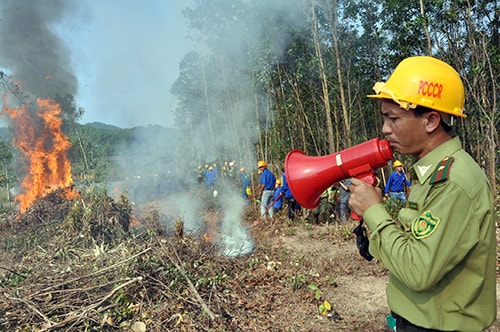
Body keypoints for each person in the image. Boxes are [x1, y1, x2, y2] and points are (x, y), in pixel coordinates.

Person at [348, 56, 496, 331]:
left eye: (393, 118)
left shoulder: (453, 182)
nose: (385, 129)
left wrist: (373, 211)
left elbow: (418, 270)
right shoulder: (431, 173)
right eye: (385, 118)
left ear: (430, 120)